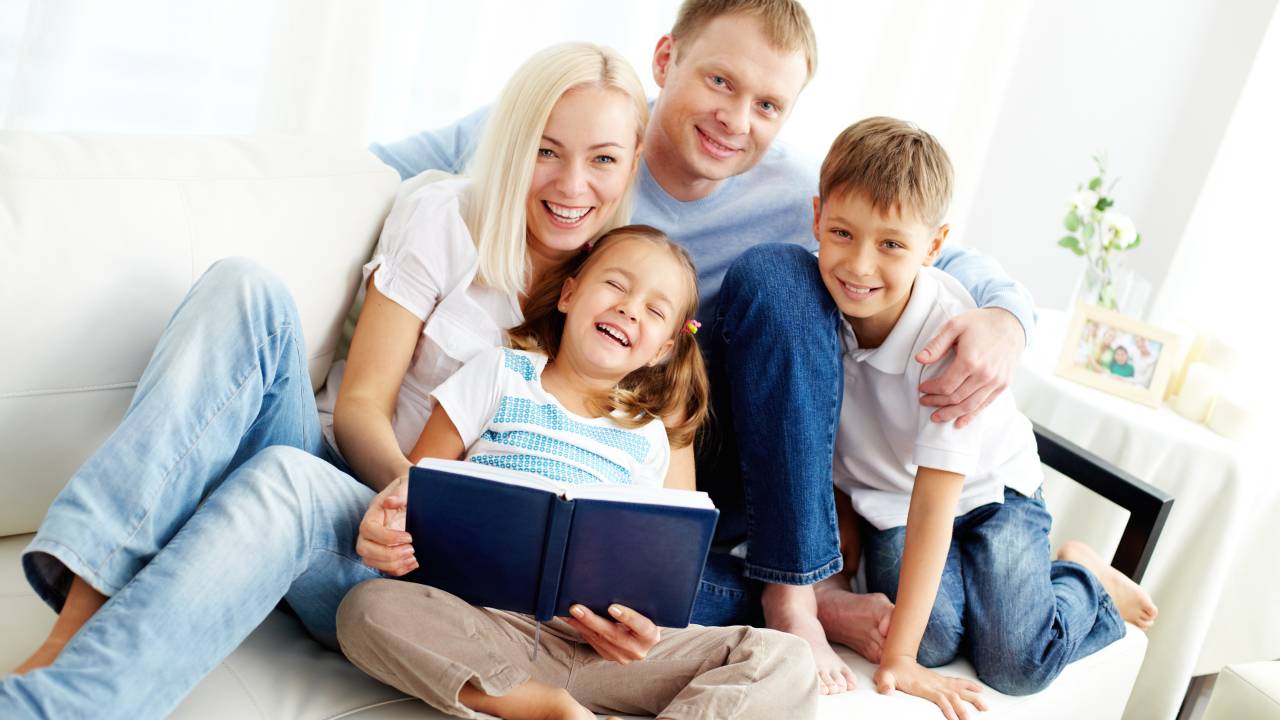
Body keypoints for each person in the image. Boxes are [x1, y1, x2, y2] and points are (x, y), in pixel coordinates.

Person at [371, 0, 1038, 695]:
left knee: (778, 276)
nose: (736, 120)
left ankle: (793, 591)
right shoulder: (581, 129)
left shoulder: (803, 196)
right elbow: (378, 167)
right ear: (666, 60)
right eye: (720, 81)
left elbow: (926, 247)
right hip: (569, 439)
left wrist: (1007, 318)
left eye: (768, 105)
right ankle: (783, 598)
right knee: (580, 584)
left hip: (697, 434)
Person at [0, 42, 651, 719]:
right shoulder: (448, 217)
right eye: (547, 151)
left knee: (292, 480)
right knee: (242, 288)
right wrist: (410, 494)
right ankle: (74, 626)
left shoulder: (631, 297)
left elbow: (647, 506)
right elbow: (363, 403)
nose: (572, 186)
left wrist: (629, 617)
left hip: (410, 580)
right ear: (513, 144)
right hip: (359, 479)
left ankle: (52, 709)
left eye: (603, 159)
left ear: (633, 160)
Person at [338, 226, 818, 720]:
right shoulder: (500, 373)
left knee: (783, 658)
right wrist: (393, 531)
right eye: (615, 285)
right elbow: (416, 494)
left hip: (606, 654)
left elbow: (667, 578)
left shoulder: (652, 436)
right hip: (485, 627)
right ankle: (551, 709)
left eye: (654, 311)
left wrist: (643, 630)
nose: (629, 309)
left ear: (663, 350)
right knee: (367, 608)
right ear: (569, 294)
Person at [810, 117, 1157, 718]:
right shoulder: (810, 309)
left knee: (1017, 663)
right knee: (934, 638)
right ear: (817, 218)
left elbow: (936, 500)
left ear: (933, 246)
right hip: (891, 504)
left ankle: (1082, 576)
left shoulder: (945, 334)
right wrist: (912, 650)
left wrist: (899, 662)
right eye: (842, 233)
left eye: (891, 244)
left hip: (992, 492)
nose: (860, 266)